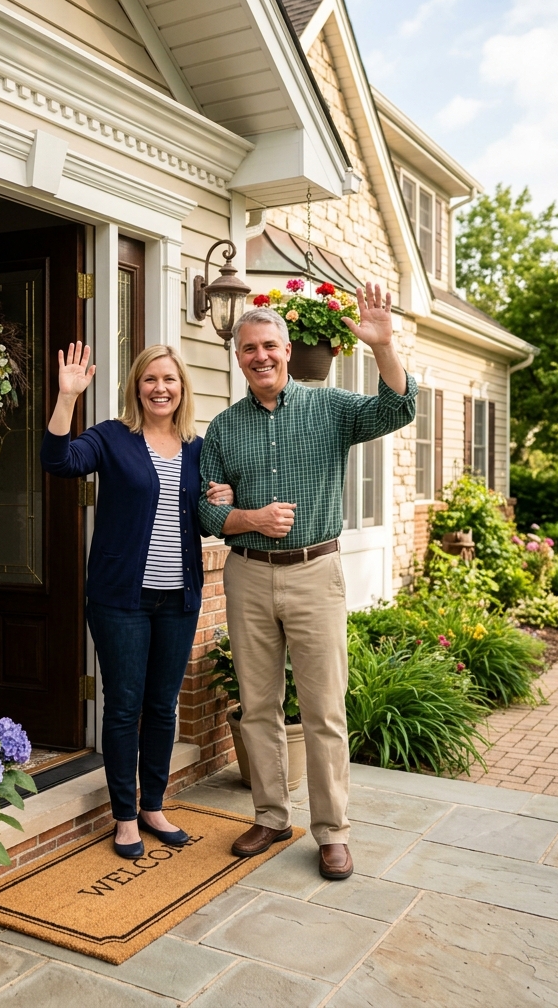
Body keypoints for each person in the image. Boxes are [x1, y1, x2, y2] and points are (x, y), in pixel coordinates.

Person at [198, 283, 417, 880]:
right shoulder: (224, 429)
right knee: (258, 705)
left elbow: (398, 409)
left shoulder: (330, 409)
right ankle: (271, 817)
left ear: (289, 351)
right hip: (247, 575)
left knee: (323, 710)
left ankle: (332, 832)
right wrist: (249, 518)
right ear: (238, 357)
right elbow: (206, 512)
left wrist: (383, 346)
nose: (260, 356)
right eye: (249, 348)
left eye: (270, 346)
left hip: (315, 573)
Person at [41, 342, 233, 858]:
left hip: (179, 598)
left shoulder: (198, 448)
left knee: (163, 706)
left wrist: (224, 498)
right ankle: (125, 815)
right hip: (121, 600)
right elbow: (58, 460)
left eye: (169, 379)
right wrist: (67, 397)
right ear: (136, 387)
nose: (160, 388)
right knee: (125, 706)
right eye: (150, 379)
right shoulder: (111, 437)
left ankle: (154, 805)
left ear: (182, 387)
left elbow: (211, 512)